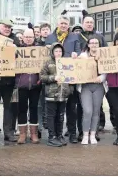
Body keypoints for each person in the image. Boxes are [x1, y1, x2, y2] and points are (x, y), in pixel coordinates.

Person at [45, 15, 81, 143]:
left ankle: (71, 133)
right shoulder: (50, 38)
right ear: (57, 24)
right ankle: (54, 135)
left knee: (71, 108)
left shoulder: (74, 37)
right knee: (55, 110)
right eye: (62, 23)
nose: (64, 25)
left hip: (69, 79)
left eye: (66, 23)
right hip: (54, 80)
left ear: (68, 25)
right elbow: (45, 56)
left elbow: (79, 52)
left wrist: (77, 54)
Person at [79, 10, 108, 133]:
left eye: (91, 22)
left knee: (97, 108)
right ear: (83, 23)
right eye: (87, 22)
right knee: (85, 109)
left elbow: (107, 55)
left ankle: (95, 130)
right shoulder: (77, 36)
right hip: (83, 81)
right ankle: (82, 131)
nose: (89, 24)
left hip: (98, 82)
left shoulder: (100, 36)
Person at [40, 43, 73, 147]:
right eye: (56, 51)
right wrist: (53, 78)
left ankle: (59, 135)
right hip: (51, 94)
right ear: (52, 52)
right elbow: (42, 77)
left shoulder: (66, 63)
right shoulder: (47, 63)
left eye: (60, 51)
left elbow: (72, 77)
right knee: (51, 116)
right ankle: (52, 137)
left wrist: (69, 89)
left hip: (63, 94)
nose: (58, 53)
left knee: (60, 116)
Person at [78, 36, 107, 145]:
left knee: (96, 111)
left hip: (98, 86)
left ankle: (93, 134)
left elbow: (108, 69)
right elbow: (76, 67)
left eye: (96, 43)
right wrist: (75, 58)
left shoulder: (104, 56)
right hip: (85, 86)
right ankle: (85, 135)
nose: (94, 45)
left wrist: (102, 77)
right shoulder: (83, 56)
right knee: (87, 111)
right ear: (88, 44)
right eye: (92, 43)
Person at [0, 19, 21, 143]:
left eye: (9, 27)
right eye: (5, 26)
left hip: (9, 79)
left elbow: (20, 57)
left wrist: (15, 50)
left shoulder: (15, 40)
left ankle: (9, 132)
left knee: (9, 107)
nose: (7, 29)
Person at [15, 29, 41, 144]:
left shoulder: (40, 50)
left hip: (36, 84)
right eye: (26, 37)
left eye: (31, 37)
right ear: (23, 38)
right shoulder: (18, 50)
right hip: (22, 85)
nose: (29, 39)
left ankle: (34, 133)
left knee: (34, 108)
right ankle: (22, 134)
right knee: (21, 109)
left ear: (34, 37)